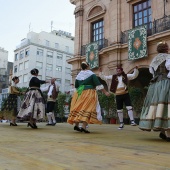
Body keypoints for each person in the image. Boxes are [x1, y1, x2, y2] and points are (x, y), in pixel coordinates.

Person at [139, 41, 170, 142]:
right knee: (166, 106)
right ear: (166, 49)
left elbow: (152, 72)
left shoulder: (154, 60)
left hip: (155, 85)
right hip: (166, 83)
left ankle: (162, 131)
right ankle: (168, 134)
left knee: (157, 107)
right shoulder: (168, 57)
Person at [67, 61, 110, 133]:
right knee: (88, 108)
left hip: (79, 93)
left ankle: (77, 125)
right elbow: (98, 84)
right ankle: (84, 127)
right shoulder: (91, 74)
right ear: (88, 66)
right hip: (89, 92)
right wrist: (105, 92)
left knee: (79, 108)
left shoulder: (78, 75)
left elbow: (76, 86)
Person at [98, 65, 139, 129]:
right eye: (117, 71)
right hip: (118, 95)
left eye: (119, 71)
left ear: (122, 71)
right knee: (119, 110)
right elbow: (105, 78)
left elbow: (134, 75)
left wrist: (136, 70)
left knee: (129, 107)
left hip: (125, 94)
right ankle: (121, 123)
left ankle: (132, 121)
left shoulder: (126, 76)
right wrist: (101, 72)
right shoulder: (113, 77)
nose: (118, 72)